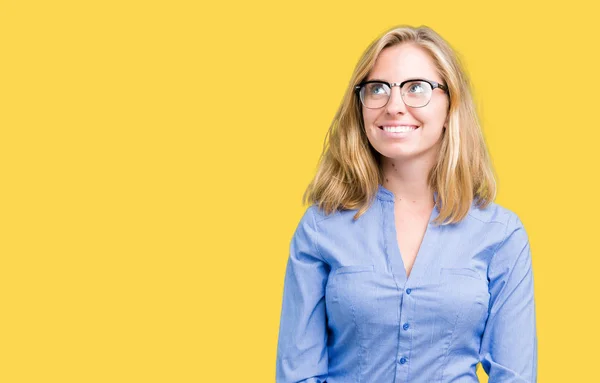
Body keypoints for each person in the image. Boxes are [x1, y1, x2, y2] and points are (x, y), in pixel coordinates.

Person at [275, 25, 537, 383]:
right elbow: (297, 374)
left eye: (416, 88)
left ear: (451, 105)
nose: (394, 106)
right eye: (378, 89)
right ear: (361, 106)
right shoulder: (320, 228)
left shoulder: (501, 234)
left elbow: (515, 376)